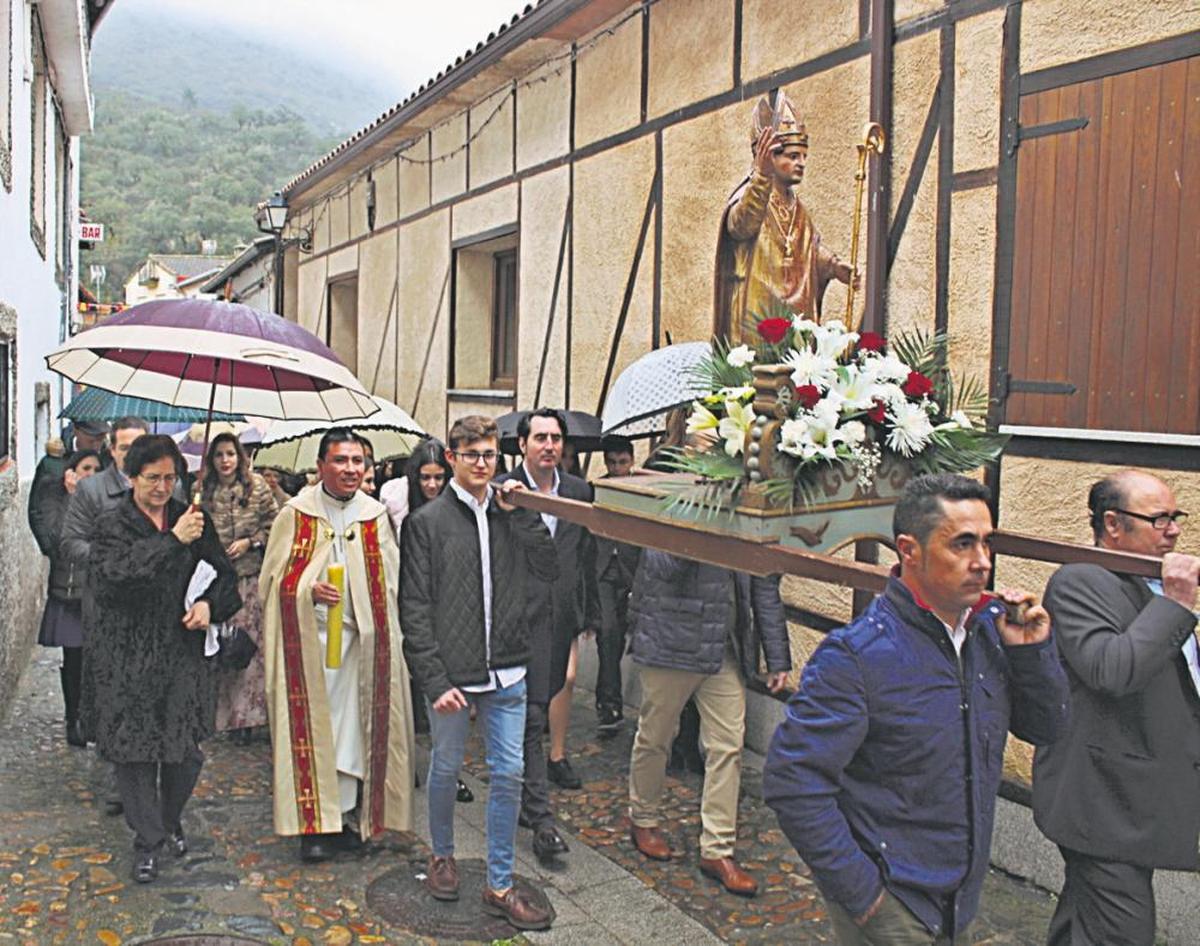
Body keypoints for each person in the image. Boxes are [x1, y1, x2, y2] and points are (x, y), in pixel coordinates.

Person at [763, 473, 1069, 944]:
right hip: (894, 903)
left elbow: (1046, 728)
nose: (982, 562)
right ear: (909, 551)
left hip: (961, 898)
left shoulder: (990, 631)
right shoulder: (858, 655)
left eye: (987, 543)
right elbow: (793, 780)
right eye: (963, 545)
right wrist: (864, 897)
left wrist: (1031, 653)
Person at [400, 414, 557, 931]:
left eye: (490, 454)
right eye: (471, 455)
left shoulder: (509, 513)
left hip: (509, 669)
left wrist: (524, 513)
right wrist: (434, 678)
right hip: (454, 673)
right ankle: (442, 855)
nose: (483, 464)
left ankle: (500, 883)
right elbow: (415, 608)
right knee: (446, 767)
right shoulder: (426, 524)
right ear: (451, 459)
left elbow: (548, 566)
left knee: (509, 773)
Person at [1032, 471, 1200, 946]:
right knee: (1123, 933)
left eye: (1176, 517)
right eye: (1159, 519)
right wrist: (1179, 603)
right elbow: (1113, 670)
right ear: (1113, 524)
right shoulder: (1081, 581)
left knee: (1084, 927)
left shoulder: (1147, 584)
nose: (1174, 530)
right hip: (1102, 803)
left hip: (1135, 800)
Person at [87, 434, 241, 884]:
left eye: (170, 478)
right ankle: (147, 840)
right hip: (127, 653)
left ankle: (169, 819)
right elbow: (117, 577)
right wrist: (173, 541)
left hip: (180, 654)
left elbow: (225, 579)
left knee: (183, 753)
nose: (161, 487)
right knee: (134, 754)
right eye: (152, 478)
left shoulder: (192, 518)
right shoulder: (113, 523)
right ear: (132, 476)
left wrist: (211, 606)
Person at [259, 428, 416, 862]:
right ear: (321, 466)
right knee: (317, 731)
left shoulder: (374, 513)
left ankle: (346, 816)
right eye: (341, 461)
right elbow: (271, 583)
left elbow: (392, 579)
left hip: (360, 647)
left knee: (355, 733)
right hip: (310, 647)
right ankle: (314, 827)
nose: (350, 469)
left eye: (357, 461)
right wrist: (307, 588)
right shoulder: (296, 513)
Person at [626, 537, 791, 897]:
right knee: (655, 739)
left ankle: (717, 850)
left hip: (723, 650)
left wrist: (777, 656)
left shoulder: (747, 511)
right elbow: (662, 564)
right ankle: (643, 819)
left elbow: (764, 581)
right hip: (672, 642)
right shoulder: (677, 503)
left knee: (728, 747)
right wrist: (703, 526)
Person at [496, 408, 600, 865]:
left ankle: (520, 795)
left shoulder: (578, 491)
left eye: (556, 438)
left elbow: (585, 555)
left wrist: (588, 614)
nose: (549, 446)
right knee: (532, 714)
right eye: (540, 438)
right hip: (517, 623)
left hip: (559, 622)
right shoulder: (503, 490)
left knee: (539, 706)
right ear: (522, 445)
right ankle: (540, 817)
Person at [60, 415, 153, 816]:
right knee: (116, 693)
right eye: (126, 447)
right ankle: (122, 777)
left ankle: (151, 773)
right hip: (109, 608)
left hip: (154, 610)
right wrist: (110, 560)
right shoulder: (93, 491)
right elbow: (70, 542)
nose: (133, 454)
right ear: (112, 450)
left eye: (141, 447)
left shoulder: (166, 485)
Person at [714, 90, 857, 343]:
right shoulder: (751, 195)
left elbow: (807, 248)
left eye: (803, 157)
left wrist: (834, 266)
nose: (801, 163)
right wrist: (761, 177)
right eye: (793, 156)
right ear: (768, 157)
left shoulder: (798, 208)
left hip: (794, 318)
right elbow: (740, 225)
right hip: (754, 318)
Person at [199, 433, 279, 741]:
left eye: (230, 454)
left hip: (249, 577)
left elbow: (275, 523)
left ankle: (251, 718)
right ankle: (225, 716)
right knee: (222, 647)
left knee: (250, 648)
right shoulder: (204, 489)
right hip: (218, 582)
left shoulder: (256, 487)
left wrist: (252, 541)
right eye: (219, 454)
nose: (225, 460)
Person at [31, 449, 102, 747]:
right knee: (74, 658)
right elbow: (54, 540)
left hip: (98, 594)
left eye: (96, 469)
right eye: (86, 468)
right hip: (69, 592)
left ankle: (92, 717)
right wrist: (72, 500)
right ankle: (73, 717)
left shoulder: (106, 501)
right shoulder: (57, 499)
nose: (91, 475)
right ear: (71, 472)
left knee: (95, 660)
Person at [593, 435, 641, 734]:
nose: (617, 468)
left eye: (622, 462)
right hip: (603, 571)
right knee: (608, 633)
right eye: (612, 462)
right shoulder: (597, 488)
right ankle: (609, 704)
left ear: (632, 461)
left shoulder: (640, 490)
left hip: (632, 569)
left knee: (623, 635)